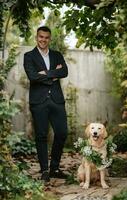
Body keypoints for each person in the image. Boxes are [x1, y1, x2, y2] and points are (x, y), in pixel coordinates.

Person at [23, 26, 68, 182]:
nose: (43, 40)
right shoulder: (29, 56)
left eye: (46, 37)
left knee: (62, 133)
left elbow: (64, 72)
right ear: (36, 37)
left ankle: (55, 167)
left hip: (56, 100)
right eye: (41, 37)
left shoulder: (57, 55)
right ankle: (44, 170)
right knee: (41, 135)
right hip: (39, 101)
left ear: (50, 39)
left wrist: (46, 73)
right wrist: (53, 75)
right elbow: (33, 76)